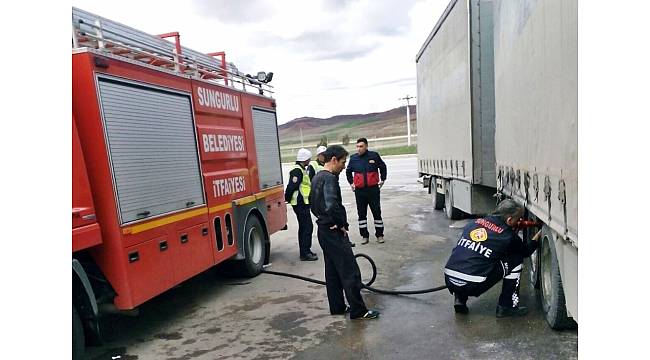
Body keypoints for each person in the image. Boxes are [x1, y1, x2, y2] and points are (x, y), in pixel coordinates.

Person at [310, 145, 380, 320]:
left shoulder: (317, 177)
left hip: (323, 231)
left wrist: (324, 220)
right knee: (350, 271)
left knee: (332, 272)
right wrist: (339, 224)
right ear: (333, 160)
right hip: (333, 232)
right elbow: (331, 204)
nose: (343, 166)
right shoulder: (330, 178)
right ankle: (358, 310)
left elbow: (313, 205)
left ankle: (338, 307)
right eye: (342, 162)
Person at [443, 199, 541, 317]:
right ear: (509, 220)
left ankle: (460, 299)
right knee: (516, 259)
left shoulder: (474, 223)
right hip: (473, 284)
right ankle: (506, 306)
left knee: (470, 257)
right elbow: (525, 252)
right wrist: (537, 237)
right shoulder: (508, 236)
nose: (519, 221)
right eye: (518, 219)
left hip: (450, 278)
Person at [345, 138, 387, 245]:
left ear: (366, 146)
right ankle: (364, 236)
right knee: (361, 214)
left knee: (377, 212)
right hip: (360, 191)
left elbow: (383, 167)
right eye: (357, 146)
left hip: (373, 190)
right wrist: (351, 183)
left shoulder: (374, 156)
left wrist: (383, 179)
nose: (359, 149)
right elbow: (348, 171)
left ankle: (380, 235)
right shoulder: (353, 158)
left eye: (361, 146)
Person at [284, 148, 318, 261]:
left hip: (302, 203)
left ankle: (305, 251)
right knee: (307, 227)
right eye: (308, 158)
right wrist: (287, 198)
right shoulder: (297, 170)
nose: (309, 160)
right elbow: (291, 186)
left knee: (304, 227)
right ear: (305, 159)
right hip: (300, 203)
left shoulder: (301, 169)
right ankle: (305, 253)